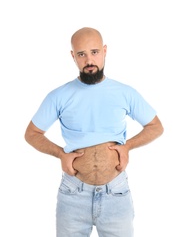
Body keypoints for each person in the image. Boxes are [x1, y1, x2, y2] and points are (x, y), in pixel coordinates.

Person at [24, 27, 164, 237]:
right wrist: (61, 154)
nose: (89, 60)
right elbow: (32, 133)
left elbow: (156, 127)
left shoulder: (125, 92)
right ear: (73, 56)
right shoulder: (59, 96)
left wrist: (128, 147)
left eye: (94, 52)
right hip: (73, 194)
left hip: (116, 192)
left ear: (105, 51)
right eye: (81, 54)